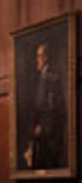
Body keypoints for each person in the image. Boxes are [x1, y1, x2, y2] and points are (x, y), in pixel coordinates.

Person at [24, 41, 64, 170]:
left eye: (39, 56)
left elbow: (55, 108)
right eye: (37, 56)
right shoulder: (40, 79)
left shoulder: (52, 79)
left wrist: (43, 127)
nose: (37, 60)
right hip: (40, 134)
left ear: (45, 58)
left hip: (49, 135)